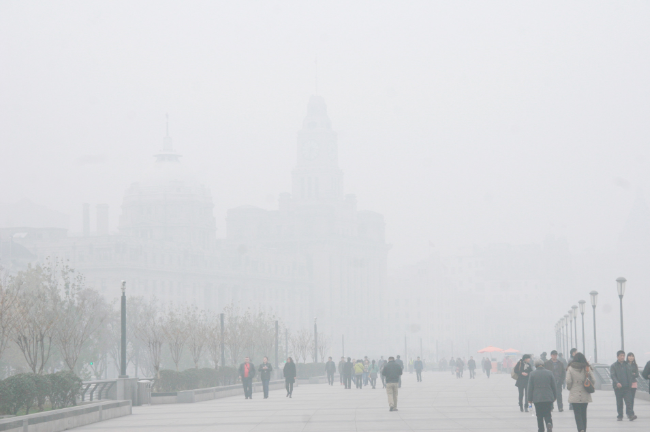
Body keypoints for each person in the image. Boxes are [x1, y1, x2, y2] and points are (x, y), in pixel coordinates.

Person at [566, 352, 594, 432]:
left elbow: (568, 381)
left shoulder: (570, 368)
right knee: (583, 413)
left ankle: (580, 429)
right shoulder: (587, 367)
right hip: (585, 393)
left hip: (574, 393)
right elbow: (593, 379)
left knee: (577, 413)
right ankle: (584, 429)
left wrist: (570, 388)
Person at [527, 358, 556, 432]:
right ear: (543, 364)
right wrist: (554, 396)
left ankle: (541, 429)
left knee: (539, 415)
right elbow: (554, 386)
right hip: (548, 397)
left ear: (535, 365)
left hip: (537, 398)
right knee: (548, 413)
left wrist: (529, 399)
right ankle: (549, 423)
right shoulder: (549, 373)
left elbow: (530, 388)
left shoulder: (532, 374)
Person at [610, 350, 636, 421]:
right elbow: (613, 375)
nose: (622, 357)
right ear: (617, 357)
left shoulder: (627, 365)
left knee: (629, 401)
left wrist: (630, 383)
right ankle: (620, 415)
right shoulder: (613, 366)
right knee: (619, 402)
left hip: (627, 387)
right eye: (621, 356)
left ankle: (630, 415)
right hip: (618, 388)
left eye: (623, 356)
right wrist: (617, 383)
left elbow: (631, 375)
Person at [627, 353, 639, 419]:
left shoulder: (635, 365)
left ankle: (631, 412)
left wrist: (632, 374)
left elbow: (637, 374)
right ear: (627, 357)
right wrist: (632, 373)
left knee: (632, 399)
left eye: (632, 356)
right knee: (628, 399)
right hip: (627, 384)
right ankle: (629, 412)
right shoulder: (625, 364)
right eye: (630, 356)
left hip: (634, 383)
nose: (631, 357)